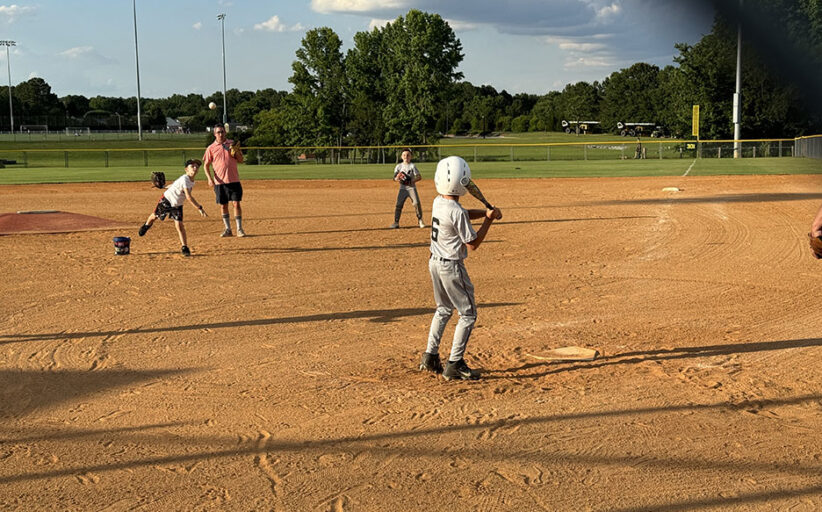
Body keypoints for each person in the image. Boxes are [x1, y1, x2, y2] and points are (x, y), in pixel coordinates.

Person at [419, 156, 502, 381]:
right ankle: (454, 364)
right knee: (468, 314)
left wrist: (484, 213)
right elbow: (472, 243)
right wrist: (489, 220)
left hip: (434, 262)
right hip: (451, 267)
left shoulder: (439, 202)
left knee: (443, 309)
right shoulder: (455, 210)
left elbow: (462, 215)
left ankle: (430, 357)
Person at [138, 159, 208, 257]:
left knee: (179, 225)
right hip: (167, 200)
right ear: (186, 169)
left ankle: (184, 247)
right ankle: (146, 226)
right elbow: (188, 197)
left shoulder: (191, 181)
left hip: (177, 205)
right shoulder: (185, 179)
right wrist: (199, 208)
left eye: (197, 166)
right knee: (154, 216)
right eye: (192, 166)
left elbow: (175, 185)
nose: (195, 168)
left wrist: (164, 186)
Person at [202, 125, 245, 237]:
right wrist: (209, 179)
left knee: (236, 204)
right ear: (214, 134)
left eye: (222, 132)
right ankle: (228, 229)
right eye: (218, 132)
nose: (220, 134)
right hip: (219, 182)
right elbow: (206, 166)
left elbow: (241, 160)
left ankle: (239, 229)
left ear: (225, 132)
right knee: (223, 205)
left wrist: (236, 152)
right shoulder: (211, 148)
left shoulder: (232, 144)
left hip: (234, 179)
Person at [390, 148, 426, 229]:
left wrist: (412, 180)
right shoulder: (398, 166)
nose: (406, 156)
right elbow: (394, 178)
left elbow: (419, 177)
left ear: (411, 157)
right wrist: (397, 178)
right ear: (401, 156)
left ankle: (420, 220)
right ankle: (396, 222)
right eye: (404, 155)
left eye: (408, 155)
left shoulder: (412, 166)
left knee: (416, 203)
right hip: (402, 189)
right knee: (399, 204)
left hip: (411, 188)